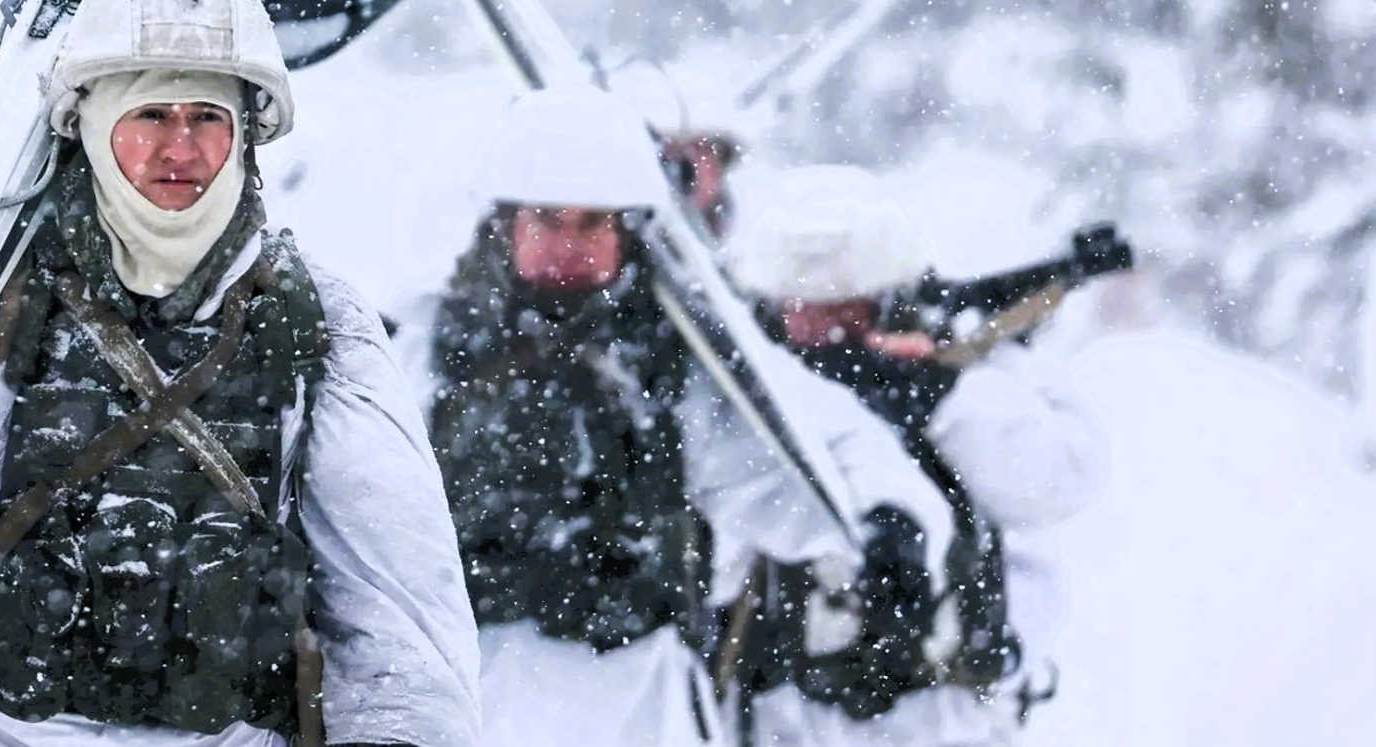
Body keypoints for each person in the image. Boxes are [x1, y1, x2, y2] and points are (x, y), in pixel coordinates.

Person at [0, 0, 481, 747]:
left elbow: (396, 604)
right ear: (91, 124)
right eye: (151, 114)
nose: (180, 147)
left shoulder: (316, 318)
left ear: (247, 133)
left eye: (207, 117)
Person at [420, 86, 954, 747]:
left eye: (592, 223)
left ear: (628, 230)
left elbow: (831, 446)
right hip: (461, 689)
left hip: (631, 697)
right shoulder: (424, 344)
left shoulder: (681, 361)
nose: (569, 244)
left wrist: (891, 522)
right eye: (547, 219)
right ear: (505, 223)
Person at [723, 164, 1106, 746]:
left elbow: (1063, 484)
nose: (822, 333)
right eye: (801, 311)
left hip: (940, 716)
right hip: (780, 713)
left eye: (844, 311)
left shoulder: (956, 364)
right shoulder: (748, 386)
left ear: (890, 299)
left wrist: (937, 397)